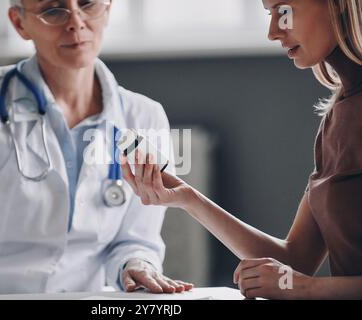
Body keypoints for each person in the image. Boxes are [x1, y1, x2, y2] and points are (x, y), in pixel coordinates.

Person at [0, 0, 193, 296]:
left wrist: (137, 265)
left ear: (108, 9)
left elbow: (137, 239)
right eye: (53, 10)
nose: (75, 21)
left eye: (88, 4)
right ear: (20, 23)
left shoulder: (145, 116)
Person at [121, 0, 362, 299]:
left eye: (284, 11)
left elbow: (299, 278)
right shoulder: (335, 119)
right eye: (269, 14)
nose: (273, 32)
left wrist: (304, 288)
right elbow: (296, 259)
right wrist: (188, 198)